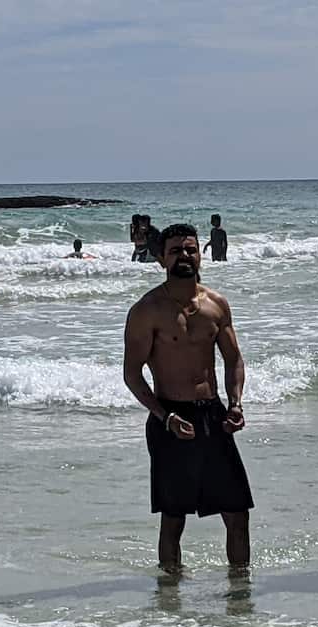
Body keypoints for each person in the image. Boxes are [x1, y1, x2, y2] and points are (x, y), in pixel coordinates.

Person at [123, 222, 252, 574]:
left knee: (237, 513)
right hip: (170, 418)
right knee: (173, 517)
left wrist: (235, 403)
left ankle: (240, 597)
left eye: (191, 249)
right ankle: (171, 600)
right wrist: (164, 416)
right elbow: (132, 374)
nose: (185, 256)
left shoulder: (216, 305)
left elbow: (234, 359)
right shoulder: (146, 310)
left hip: (213, 415)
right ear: (162, 259)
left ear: (200, 254)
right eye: (176, 250)